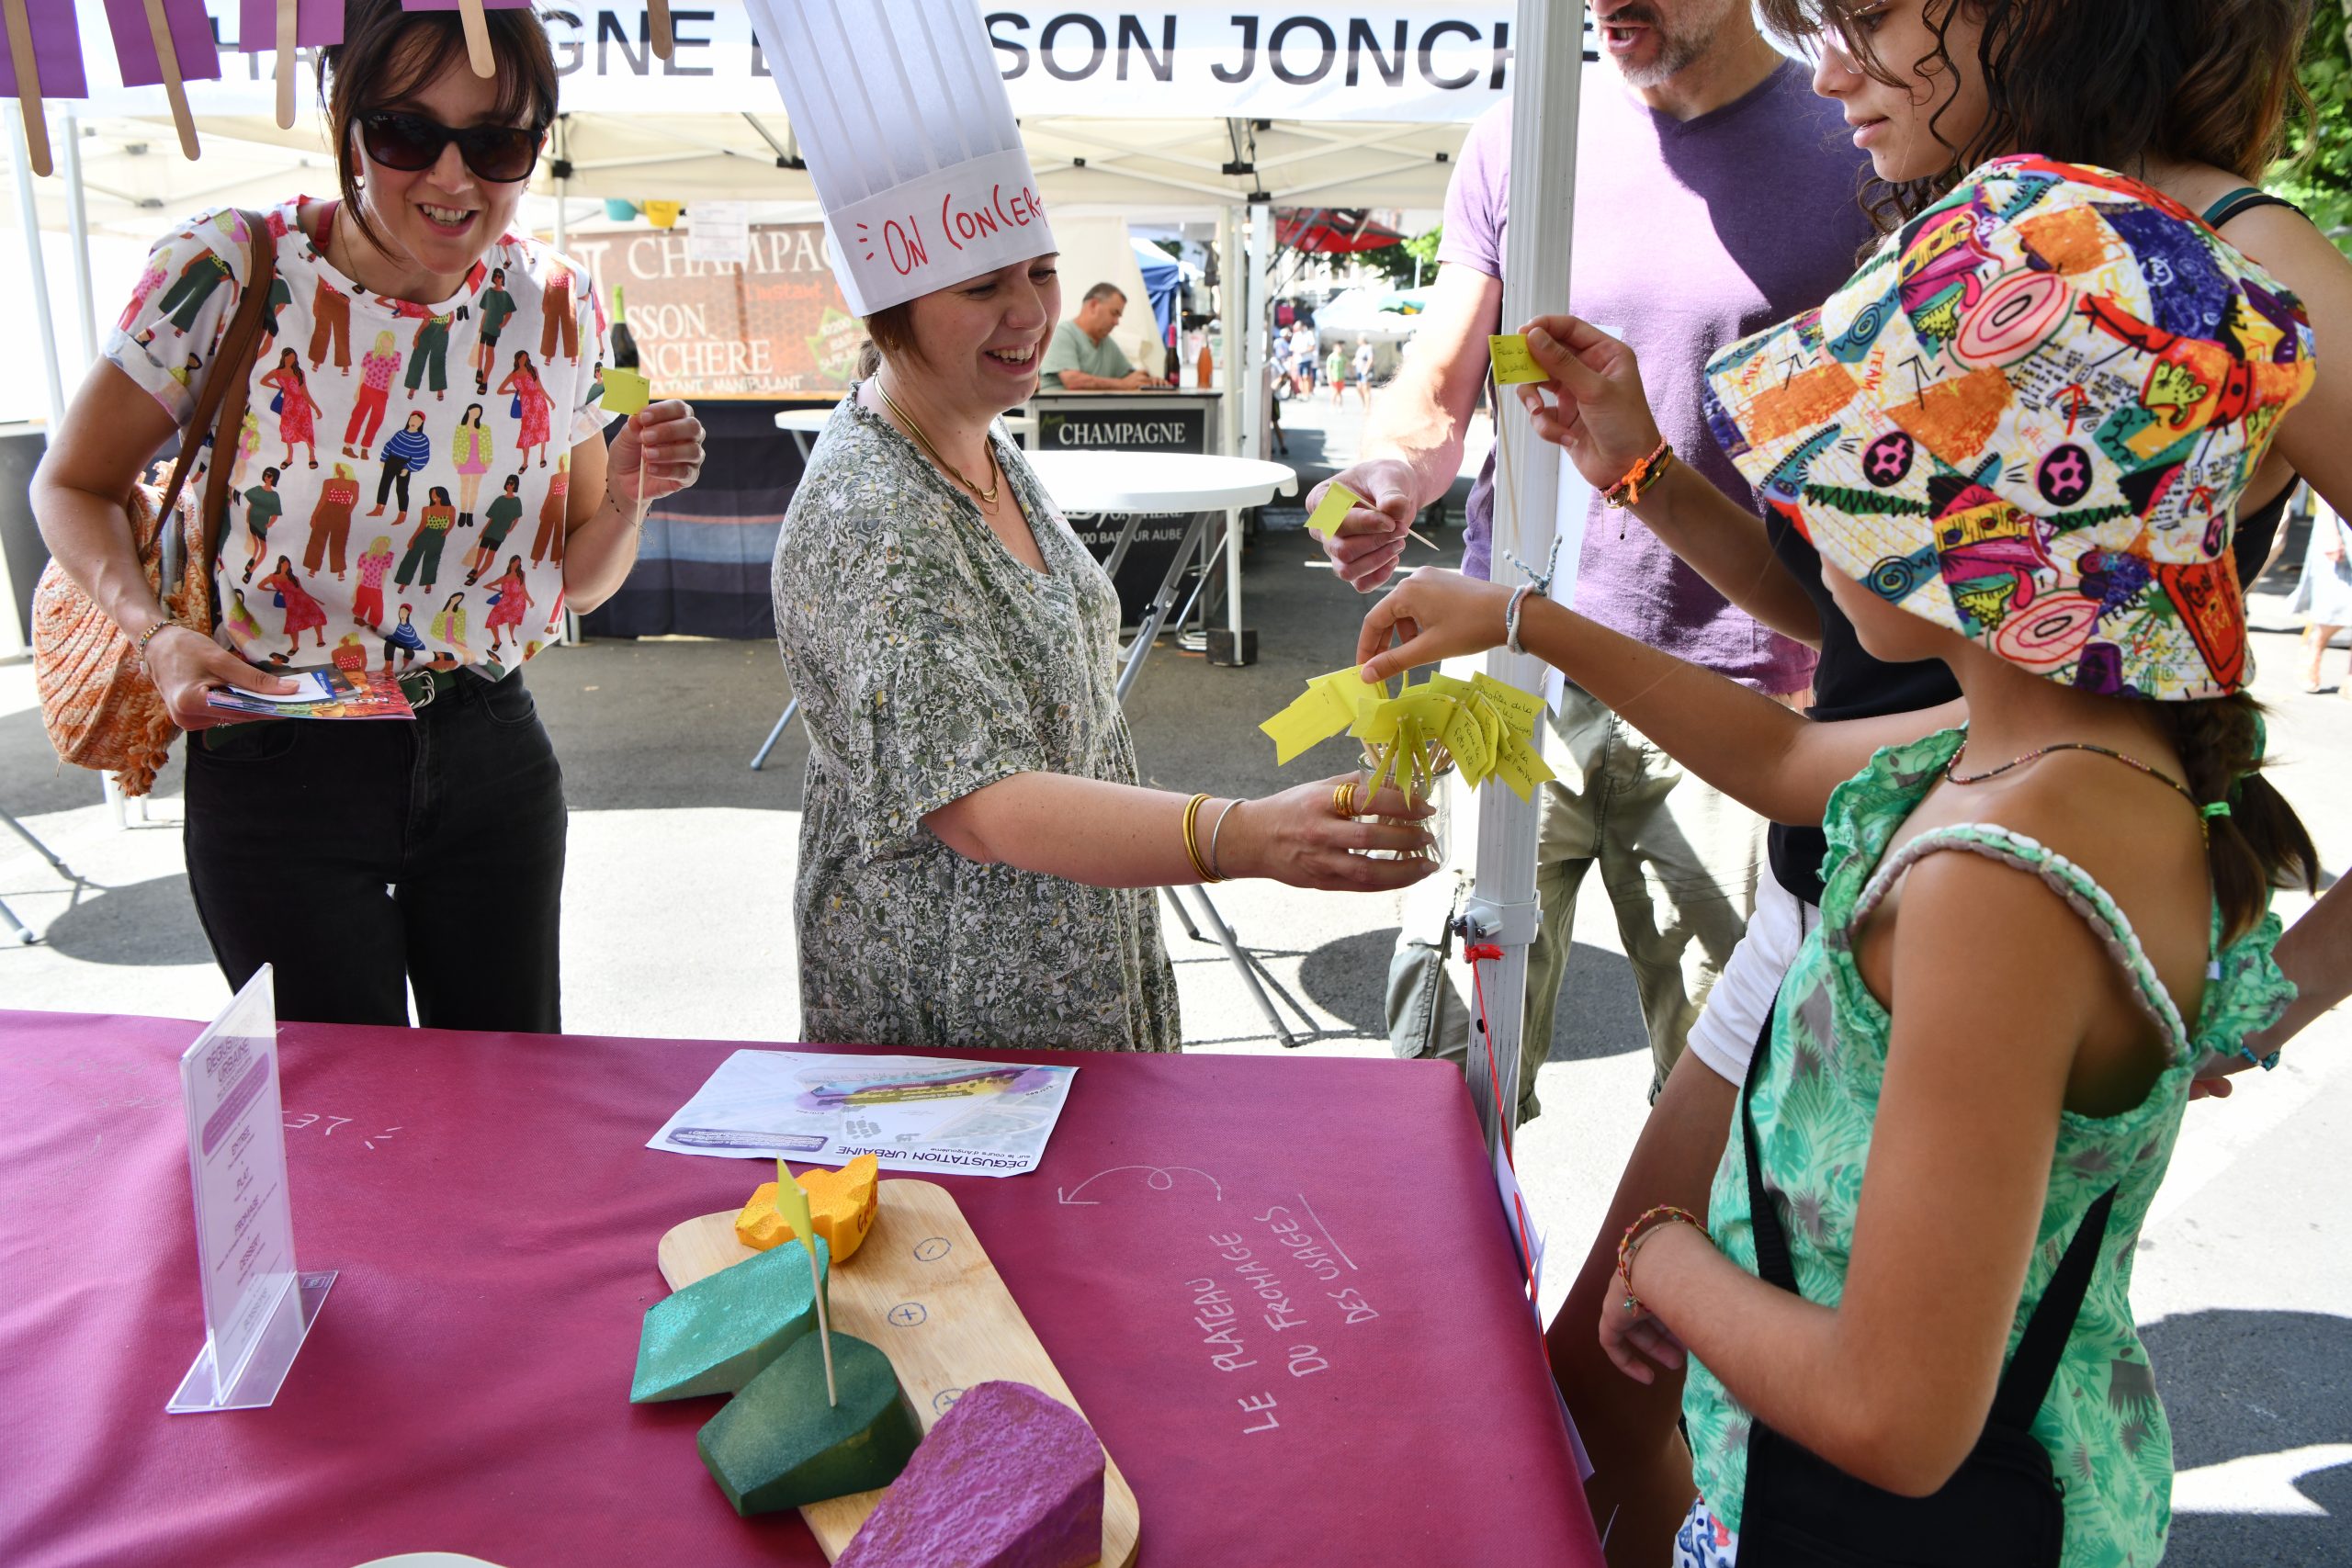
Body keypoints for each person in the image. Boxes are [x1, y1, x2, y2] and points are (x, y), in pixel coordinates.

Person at [1396, 0, 2352, 1556]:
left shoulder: (2003, 867)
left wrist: (1662, 1258)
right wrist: (1552, 580)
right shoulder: (2048, 757)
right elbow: (1788, 747)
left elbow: (1896, 1412)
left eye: (1858, 474)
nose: (1834, 64)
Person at [765, 0, 1435, 1054]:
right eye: (983, 286)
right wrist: (1243, 835)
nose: (1031, 312)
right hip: (953, 1021)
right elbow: (977, 802)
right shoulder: (873, 513)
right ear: (888, 313)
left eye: (1039, 270)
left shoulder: (980, 441)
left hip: (1066, 966)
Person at [30, 0, 707, 1032]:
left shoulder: (561, 301)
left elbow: (576, 582)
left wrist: (624, 496)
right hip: (277, 754)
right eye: (405, 133)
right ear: (345, 122)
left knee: (505, 1090)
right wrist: (154, 633)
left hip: (488, 747)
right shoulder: (225, 267)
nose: (453, 177)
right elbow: (70, 483)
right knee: (337, 1105)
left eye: (496, 142)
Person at [1314, 0, 1871, 1132]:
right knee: (1444, 1069)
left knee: (1729, 1094)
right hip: (1506, 664)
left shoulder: (1852, 134)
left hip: (1738, 690)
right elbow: (1441, 381)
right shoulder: (1524, 133)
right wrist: (1389, 472)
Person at [1038, 281, 1155, 391]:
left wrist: (1150, 381)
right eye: (1114, 313)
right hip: (1056, 406)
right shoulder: (1062, 333)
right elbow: (1073, 381)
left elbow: (1130, 377)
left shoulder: (1107, 343)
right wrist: (1123, 384)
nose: (1116, 322)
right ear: (1093, 305)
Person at [2290, 491, 2352, 691]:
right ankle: (2315, 647)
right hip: (2342, 522)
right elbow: (2322, 486)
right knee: (2335, 602)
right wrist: (2329, 529)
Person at [1349, 338, 1374, 410]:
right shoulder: (1360, 348)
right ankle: (1364, 403)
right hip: (1359, 371)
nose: (1357, 341)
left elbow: (1370, 360)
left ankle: (1367, 407)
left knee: (1366, 389)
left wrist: (1366, 369)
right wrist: (1354, 362)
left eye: (1358, 339)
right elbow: (1357, 358)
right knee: (1359, 388)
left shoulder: (1368, 348)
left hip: (1365, 371)